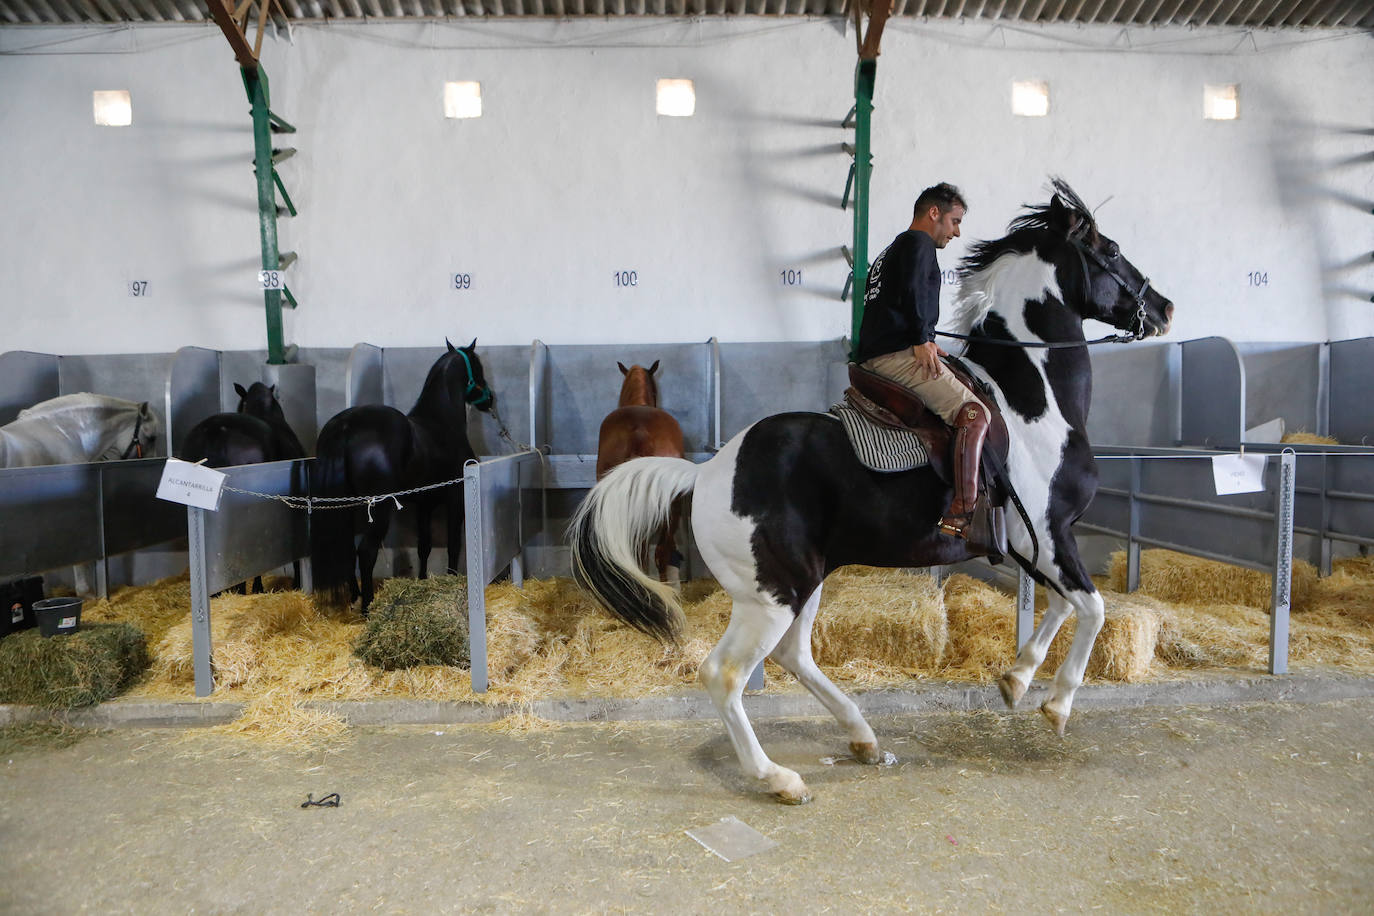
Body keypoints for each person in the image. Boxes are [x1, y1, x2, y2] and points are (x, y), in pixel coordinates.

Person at [854, 182, 995, 554]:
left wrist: (928, 338)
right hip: (897, 356)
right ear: (934, 213)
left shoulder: (894, 248)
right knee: (975, 414)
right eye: (954, 220)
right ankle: (963, 512)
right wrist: (920, 338)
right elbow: (917, 290)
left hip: (882, 351)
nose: (957, 231)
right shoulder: (918, 244)